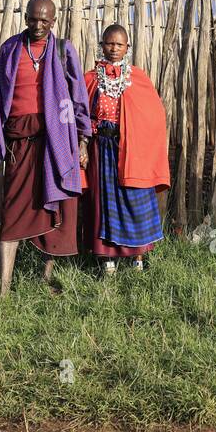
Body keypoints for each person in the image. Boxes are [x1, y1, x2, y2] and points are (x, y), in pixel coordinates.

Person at [0, 0, 92, 297]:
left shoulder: (63, 50)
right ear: (25, 16)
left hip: (57, 140)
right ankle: (4, 288)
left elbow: (78, 97)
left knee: (54, 205)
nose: (38, 25)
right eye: (33, 19)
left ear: (53, 21)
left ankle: (45, 277)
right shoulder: (10, 49)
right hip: (20, 141)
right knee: (13, 210)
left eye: (44, 20)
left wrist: (82, 139)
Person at [82, 24, 171, 274]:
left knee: (135, 198)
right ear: (101, 45)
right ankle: (106, 257)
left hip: (131, 149)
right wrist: (85, 142)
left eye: (119, 44)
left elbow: (154, 115)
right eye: (109, 43)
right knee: (105, 200)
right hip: (102, 148)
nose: (113, 48)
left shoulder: (137, 78)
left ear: (127, 47)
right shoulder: (90, 79)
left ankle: (137, 257)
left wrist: (140, 139)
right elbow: (82, 114)